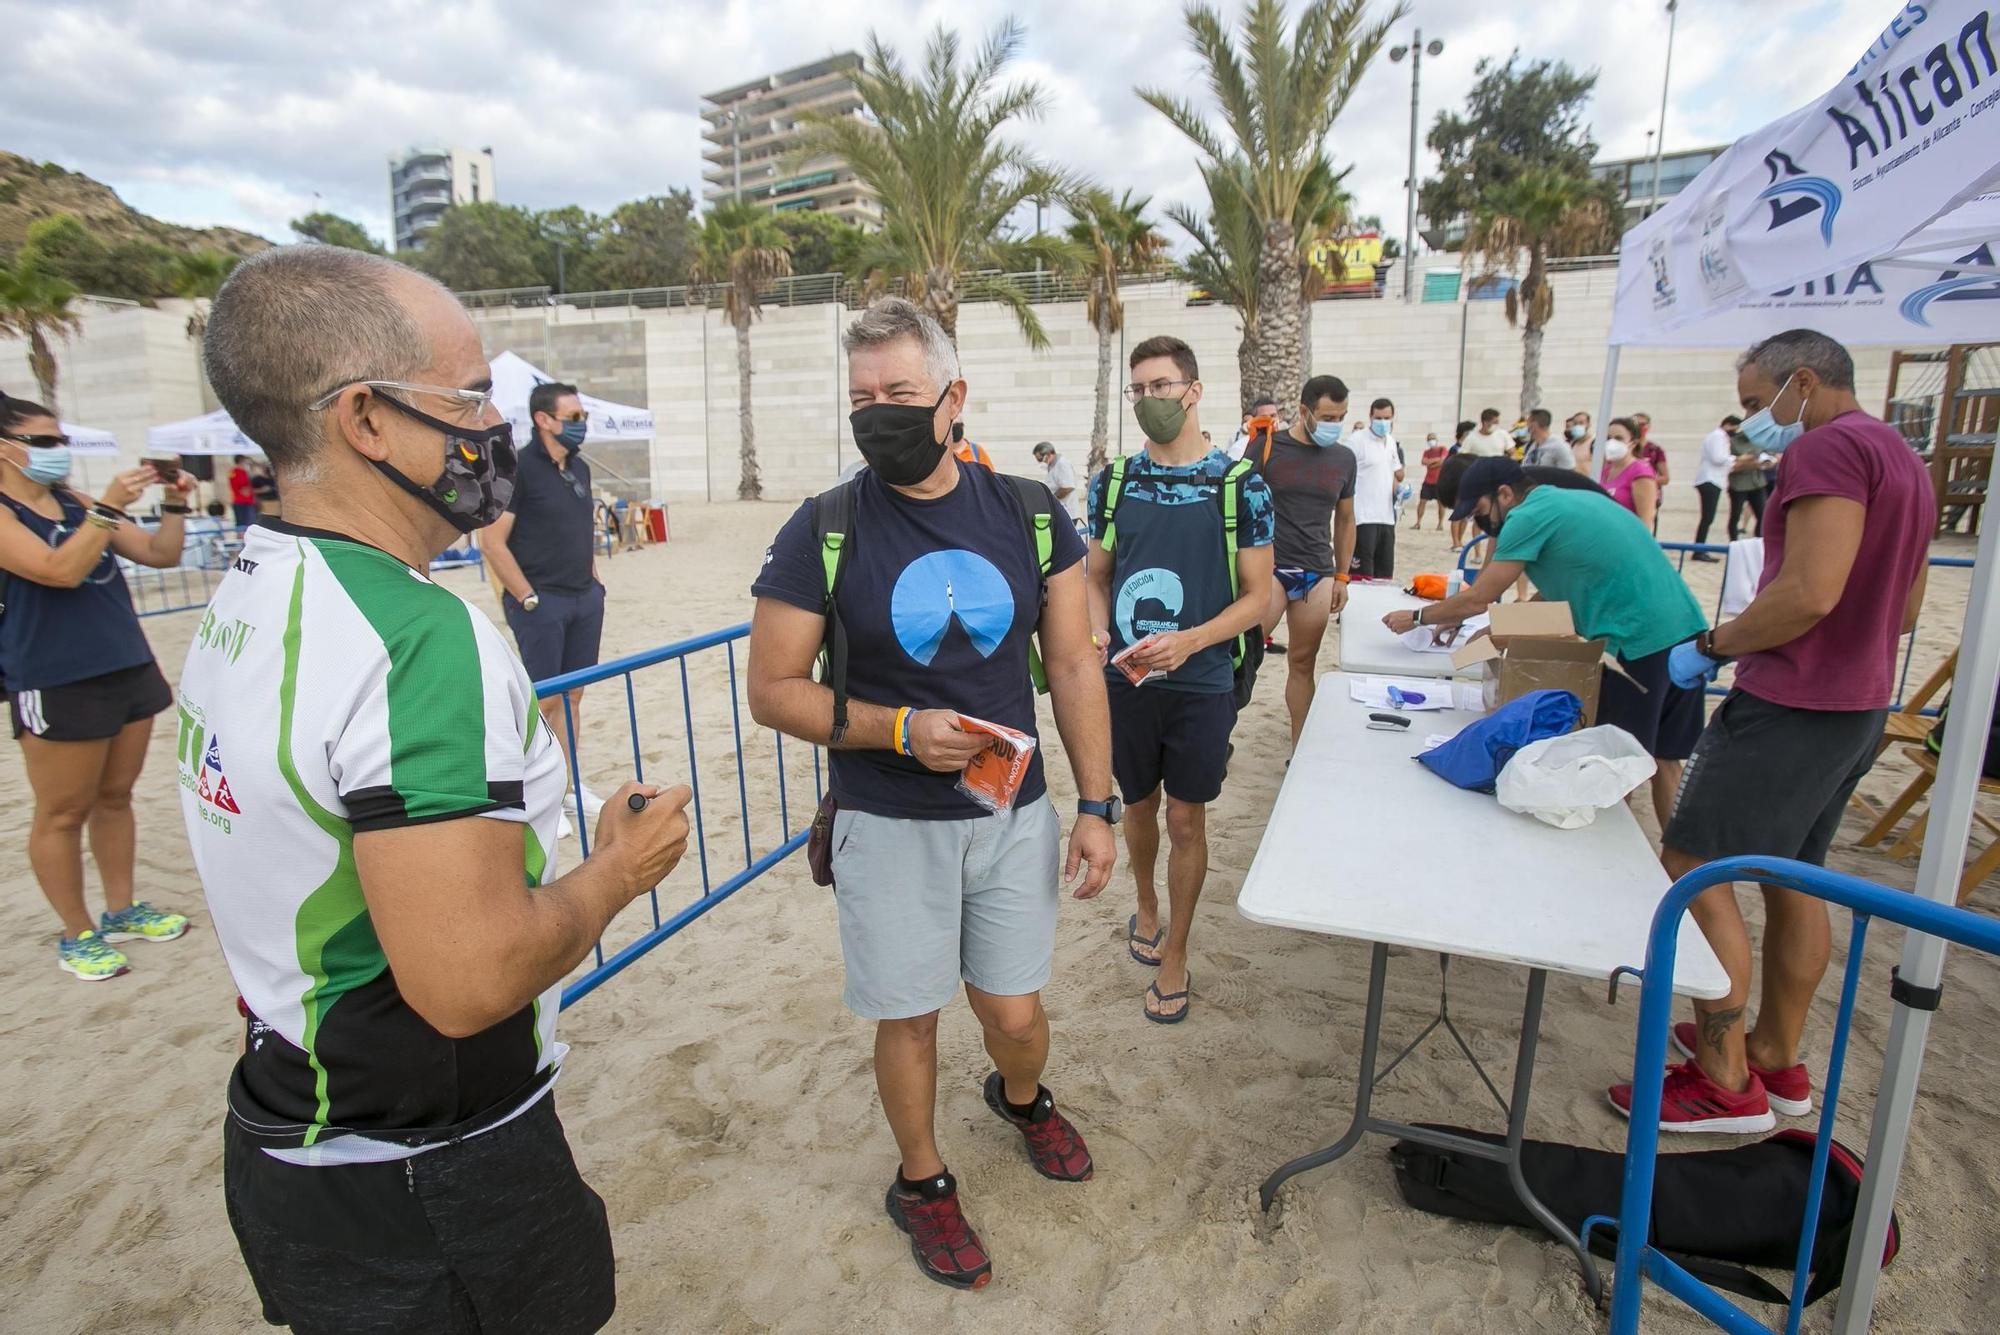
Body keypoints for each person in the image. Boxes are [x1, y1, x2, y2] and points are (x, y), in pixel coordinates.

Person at [186, 244, 695, 1332]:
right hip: (428, 1166)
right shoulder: (418, 638)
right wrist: (616, 872)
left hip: (294, 1126)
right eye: (466, 398)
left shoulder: (255, 585)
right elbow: (468, 979)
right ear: (364, 418)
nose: (489, 430)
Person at [747, 297, 1116, 1291]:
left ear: (952, 397)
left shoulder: (1030, 513)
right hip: (885, 816)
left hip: (1009, 812)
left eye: (899, 393)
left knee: (1014, 1011)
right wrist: (901, 731)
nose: (878, 412)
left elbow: (1074, 664)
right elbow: (771, 690)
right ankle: (922, 1181)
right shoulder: (820, 528)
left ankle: (1021, 1097)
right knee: (907, 1017)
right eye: (860, 397)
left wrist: (1096, 803)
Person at [1610, 328, 1935, 1134]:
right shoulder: (1904, 458)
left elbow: (1810, 592)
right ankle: (1774, 1055)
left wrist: (1715, 645)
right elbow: (1908, 609)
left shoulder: (1827, 451)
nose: (1754, 419)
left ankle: (1723, 1078)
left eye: (1758, 403)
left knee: (1689, 863)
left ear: (1802, 381)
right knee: (1798, 874)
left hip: (1793, 700)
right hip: (1857, 700)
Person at [1088, 334, 1273, 1023]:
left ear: (1194, 391)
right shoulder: (1115, 481)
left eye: (1160, 386)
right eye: (1137, 389)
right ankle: (1145, 901)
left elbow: (1258, 596)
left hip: (1201, 680)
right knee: (1137, 805)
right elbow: (1095, 577)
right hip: (1126, 680)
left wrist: (1190, 640)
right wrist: (1101, 631)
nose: (1147, 400)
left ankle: (1178, 952)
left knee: (1186, 817)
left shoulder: (1238, 484)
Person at [1389, 456, 1708, 830]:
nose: (1482, 523)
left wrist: (1416, 617)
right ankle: (1681, 862)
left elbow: (1480, 597)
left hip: (1636, 643)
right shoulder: (1567, 501)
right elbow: (1559, 593)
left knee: (1617, 761)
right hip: (1689, 634)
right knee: (1666, 759)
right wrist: (1499, 626)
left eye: (1480, 510)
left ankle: (1612, 858)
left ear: (1505, 494)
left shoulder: (1525, 518)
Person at [0, 392, 195, 981]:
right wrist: (106, 508)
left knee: (116, 797)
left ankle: (122, 908)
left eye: (62, 440)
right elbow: (58, 570)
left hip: (124, 664)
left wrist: (172, 503)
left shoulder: (74, 501)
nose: (58, 451)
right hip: (54, 676)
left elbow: (160, 555)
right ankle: (76, 932)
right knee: (62, 812)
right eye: (44, 442)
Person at [482, 380, 609, 825]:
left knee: (573, 697)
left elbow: (582, 530)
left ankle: (569, 786)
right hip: (541, 602)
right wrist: (527, 597)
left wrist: (595, 585)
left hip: (582, 598)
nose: (581, 425)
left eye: (583, 417)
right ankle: (543, 797)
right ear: (543, 420)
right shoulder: (518, 468)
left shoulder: (579, 467)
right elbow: (492, 542)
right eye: (573, 418)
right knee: (546, 702)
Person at [1248, 374, 1355, 747]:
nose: (1334, 424)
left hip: (1318, 571)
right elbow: (1237, 507)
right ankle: (1216, 737)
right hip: (1270, 568)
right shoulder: (1266, 448)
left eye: (1340, 416)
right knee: (1242, 657)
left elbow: (1345, 519)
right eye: (1327, 417)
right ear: (1304, 411)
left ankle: (1298, 748)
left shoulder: (1344, 458)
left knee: (1302, 663)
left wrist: (1342, 575)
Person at [1349, 397, 1403, 579]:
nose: (1383, 422)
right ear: (1371, 416)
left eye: (1387, 418)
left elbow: (1394, 473)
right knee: (1363, 575)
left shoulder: (1390, 441)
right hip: (1363, 517)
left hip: (1386, 517)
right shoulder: (1357, 441)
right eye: (1378, 418)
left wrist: (1400, 490)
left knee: (1385, 574)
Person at [1691, 415, 1741, 558]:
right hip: (1710, 480)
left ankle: (1699, 548)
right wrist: (1736, 459)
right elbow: (1718, 458)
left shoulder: (1720, 436)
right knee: (1707, 517)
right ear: (1728, 424)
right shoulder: (1718, 437)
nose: (1734, 431)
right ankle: (1699, 550)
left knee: (1708, 518)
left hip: (1714, 480)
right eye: (1734, 428)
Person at [1600, 417, 1660, 529]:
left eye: (1618, 438)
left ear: (1633, 443)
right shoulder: (1605, 470)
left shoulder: (1640, 472)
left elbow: (1646, 521)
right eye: (1608, 438)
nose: (1611, 442)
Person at [1437, 420, 1479, 550]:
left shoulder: (1472, 447)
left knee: (1466, 515)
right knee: (1457, 513)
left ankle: (1460, 540)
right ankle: (1455, 541)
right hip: (1458, 483)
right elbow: (1449, 466)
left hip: (1470, 483)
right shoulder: (1455, 449)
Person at [1728, 421, 1770, 539]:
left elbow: (1768, 457)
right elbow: (1730, 465)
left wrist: (1751, 462)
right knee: (1735, 516)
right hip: (1739, 485)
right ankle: (1734, 541)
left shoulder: (1759, 441)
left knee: (1762, 515)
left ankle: (1759, 540)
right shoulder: (1733, 442)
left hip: (1757, 483)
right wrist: (1749, 463)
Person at [1633, 412, 1671, 529]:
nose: (1639, 427)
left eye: (1642, 424)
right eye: (1636, 424)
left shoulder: (1655, 450)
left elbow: (1665, 478)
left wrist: (1645, 482)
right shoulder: (1626, 449)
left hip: (1649, 496)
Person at [1033, 440, 1082, 527]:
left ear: (1048, 454)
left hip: (1068, 512)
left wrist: (1051, 499)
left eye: (1040, 459)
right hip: (1059, 511)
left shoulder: (1062, 464)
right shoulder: (1052, 466)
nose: (1040, 462)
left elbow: (1067, 487)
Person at [1413, 431, 1448, 531]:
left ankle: (1440, 524)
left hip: (1439, 481)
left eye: (1432, 439)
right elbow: (1424, 462)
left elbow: (1443, 461)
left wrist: (1431, 463)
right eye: (1429, 439)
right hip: (1428, 481)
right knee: (1422, 502)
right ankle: (1418, 522)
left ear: (1436, 440)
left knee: (1441, 503)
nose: (1431, 441)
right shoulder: (1426, 452)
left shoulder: (1442, 449)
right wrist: (1436, 461)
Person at [1227, 396, 1281, 461]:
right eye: (1264, 417)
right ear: (1254, 420)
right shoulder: (1240, 447)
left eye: (1273, 416)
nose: (1270, 420)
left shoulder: (1286, 444)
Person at [227, 454, 256, 528]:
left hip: (248, 501)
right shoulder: (235, 472)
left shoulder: (244, 472)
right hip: (241, 501)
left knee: (250, 523)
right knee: (242, 523)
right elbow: (242, 487)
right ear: (241, 461)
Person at [1566, 411, 1596, 475]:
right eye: (1575, 424)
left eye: (1581, 423)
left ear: (1588, 424)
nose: (1578, 426)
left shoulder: (1594, 443)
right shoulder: (1573, 444)